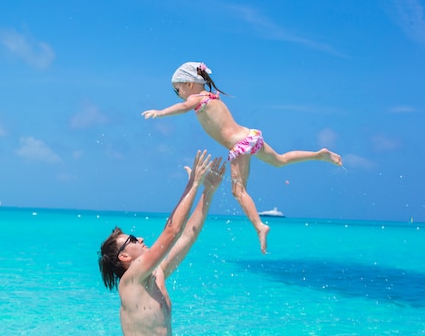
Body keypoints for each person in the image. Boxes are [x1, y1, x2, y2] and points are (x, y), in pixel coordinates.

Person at [142, 62, 343, 253]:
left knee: (238, 191)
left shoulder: (196, 99)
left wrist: (160, 113)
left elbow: (182, 108)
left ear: (188, 83)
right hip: (250, 136)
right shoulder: (212, 97)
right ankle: (319, 155)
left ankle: (259, 226)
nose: (178, 95)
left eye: (177, 90)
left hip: (239, 145)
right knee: (280, 160)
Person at [99, 150, 226, 336]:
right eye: (132, 240)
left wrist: (208, 192)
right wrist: (193, 185)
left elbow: (186, 236)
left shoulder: (156, 276)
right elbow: (172, 231)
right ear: (124, 257)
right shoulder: (130, 282)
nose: (141, 239)